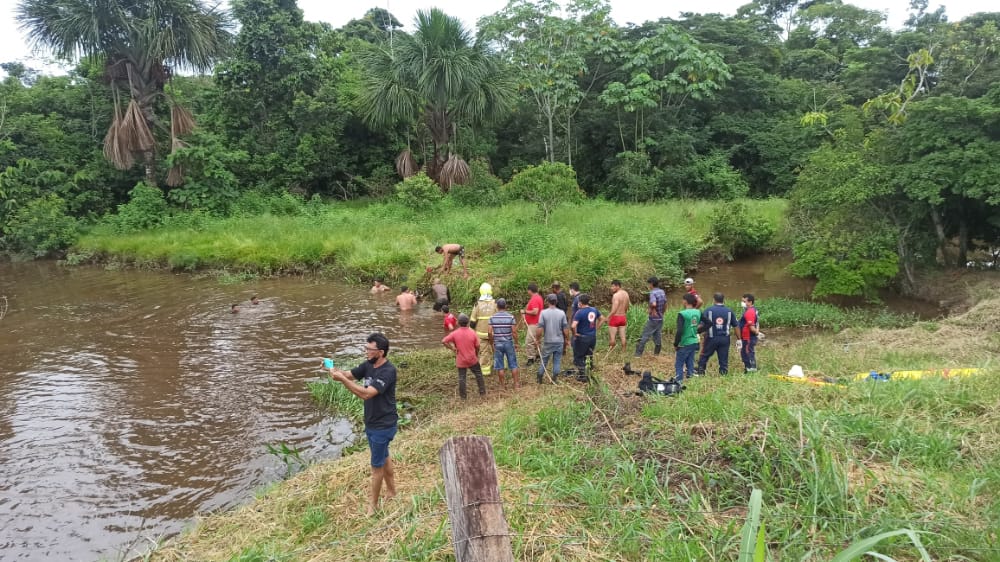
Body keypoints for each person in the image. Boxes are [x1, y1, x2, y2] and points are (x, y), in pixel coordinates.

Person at [327, 333, 398, 515]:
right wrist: (334, 370)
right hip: (372, 422)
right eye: (365, 348)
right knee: (384, 456)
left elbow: (366, 393)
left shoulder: (388, 371)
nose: (366, 351)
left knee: (376, 467)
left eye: (369, 349)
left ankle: (373, 505)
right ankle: (392, 492)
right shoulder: (368, 365)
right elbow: (349, 375)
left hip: (383, 425)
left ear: (380, 352)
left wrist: (343, 380)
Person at [442, 314, 486, 399]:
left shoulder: (455, 333)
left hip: (461, 360)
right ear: (468, 322)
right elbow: (477, 346)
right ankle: (482, 393)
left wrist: (452, 348)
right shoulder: (472, 332)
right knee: (479, 375)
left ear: (458, 323)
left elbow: (443, 341)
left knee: (462, 378)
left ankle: (463, 397)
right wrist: (476, 354)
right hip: (472, 359)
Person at [696, 293, 739, 376]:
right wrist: (739, 339)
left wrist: (696, 332)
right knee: (723, 357)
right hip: (725, 339)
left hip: (711, 338)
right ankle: (723, 373)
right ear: (723, 300)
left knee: (704, 355)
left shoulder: (709, 310)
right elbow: (736, 326)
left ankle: (701, 371)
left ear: (714, 300)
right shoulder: (729, 311)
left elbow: (702, 324)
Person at [536, 294, 570, 383]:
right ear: (556, 302)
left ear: (547, 302)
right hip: (559, 341)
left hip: (548, 341)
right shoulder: (562, 313)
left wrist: (537, 340)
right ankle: (554, 378)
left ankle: (539, 377)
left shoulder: (543, 313)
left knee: (544, 360)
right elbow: (565, 328)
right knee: (557, 361)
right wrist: (567, 339)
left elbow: (539, 329)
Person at [488, 298, 520, 388]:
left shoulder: (492, 318)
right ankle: (516, 384)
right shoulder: (511, 317)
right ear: (505, 306)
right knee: (513, 364)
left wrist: (492, 343)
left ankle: (502, 386)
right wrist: (516, 343)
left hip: (497, 344)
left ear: (497, 306)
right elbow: (514, 332)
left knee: (500, 366)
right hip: (509, 343)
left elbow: (489, 332)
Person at [469, 283, 498, 376]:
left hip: (481, 334)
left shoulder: (477, 304)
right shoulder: (495, 303)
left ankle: (485, 371)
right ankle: (500, 366)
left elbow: (472, 321)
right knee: (497, 349)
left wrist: (470, 332)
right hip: (494, 333)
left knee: (484, 352)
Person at [571, 293, 603, 375]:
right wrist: (596, 328)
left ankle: (583, 375)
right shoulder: (594, 310)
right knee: (589, 355)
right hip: (592, 337)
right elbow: (602, 319)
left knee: (579, 357)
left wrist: (575, 334)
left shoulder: (579, 312)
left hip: (582, 338)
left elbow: (573, 326)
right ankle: (589, 371)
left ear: (580, 303)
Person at [634, 276, 666, 356]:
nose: (648, 286)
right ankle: (656, 354)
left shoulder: (653, 293)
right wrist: (662, 312)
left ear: (651, 284)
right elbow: (665, 303)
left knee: (644, 336)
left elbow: (654, 303)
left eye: (649, 284)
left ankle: (638, 354)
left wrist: (652, 309)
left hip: (653, 319)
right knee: (657, 336)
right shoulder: (662, 291)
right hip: (660, 318)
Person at [674, 293, 702, 383]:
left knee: (679, 363)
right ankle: (690, 376)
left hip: (684, 342)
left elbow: (679, 331)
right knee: (690, 360)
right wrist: (697, 331)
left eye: (683, 300)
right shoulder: (698, 312)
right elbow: (708, 323)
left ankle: (679, 381)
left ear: (685, 301)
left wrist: (676, 344)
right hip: (694, 341)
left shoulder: (682, 314)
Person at [521, 283, 543, 364]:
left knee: (529, 341)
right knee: (536, 340)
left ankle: (531, 358)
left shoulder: (534, 299)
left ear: (530, 290)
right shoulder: (538, 297)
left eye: (528, 290)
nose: (527, 292)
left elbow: (535, 311)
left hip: (534, 324)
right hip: (537, 323)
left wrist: (525, 311)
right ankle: (538, 356)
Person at [739, 293, 761, 373]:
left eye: (744, 301)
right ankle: (750, 368)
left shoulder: (750, 312)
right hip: (748, 336)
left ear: (750, 302)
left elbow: (752, 327)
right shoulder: (753, 310)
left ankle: (751, 369)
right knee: (748, 351)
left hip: (748, 337)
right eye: (742, 301)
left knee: (747, 352)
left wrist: (757, 333)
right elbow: (757, 323)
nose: (742, 303)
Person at [607, 280, 630, 352]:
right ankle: (623, 350)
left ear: (617, 286)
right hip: (623, 317)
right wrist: (624, 313)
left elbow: (614, 310)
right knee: (623, 336)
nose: (611, 288)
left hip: (615, 317)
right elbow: (627, 306)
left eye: (613, 286)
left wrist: (608, 317)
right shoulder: (626, 294)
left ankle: (610, 351)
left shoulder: (616, 295)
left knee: (612, 337)